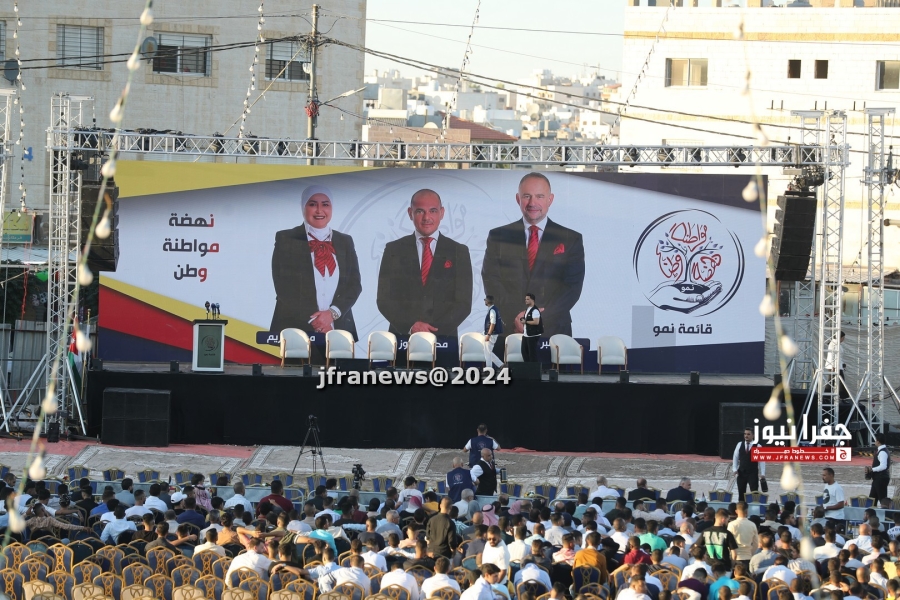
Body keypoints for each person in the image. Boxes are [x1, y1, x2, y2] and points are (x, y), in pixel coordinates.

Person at [482, 172, 585, 339]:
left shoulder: (571, 239)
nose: (532, 203)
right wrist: (517, 317)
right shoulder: (498, 236)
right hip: (510, 329)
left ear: (550, 199)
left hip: (554, 330)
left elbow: (571, 288)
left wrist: (538, 317)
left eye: (539, 196)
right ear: (518, 199)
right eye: (527, 196)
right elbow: (491, 280)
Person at [269, 185, 363, 347]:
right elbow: (284, 287)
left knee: (337, 365)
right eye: (312, 204)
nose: (319, 210)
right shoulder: (286, 238)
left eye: (325, 204)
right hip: (296, 329)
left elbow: (354, 285)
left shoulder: (345, 241)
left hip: (338, 329)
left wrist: (332, 314)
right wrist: (318, 322)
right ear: (303, 207)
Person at [376, 188, 473, 337]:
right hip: (403, 338)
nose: (427, 217)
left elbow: (463, 303)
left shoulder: (458, 251)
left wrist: (433, 332)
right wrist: (411, 326)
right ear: (410, 213)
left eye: (433, 211)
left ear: (442, 213)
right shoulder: (393, 250)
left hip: (444, 340)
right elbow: (384, 299)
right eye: (420, 211)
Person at [732, 428, 766, 502]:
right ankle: (741, 507)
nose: (746, 436)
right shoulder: (739, 444)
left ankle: (754, 507)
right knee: (741, 494)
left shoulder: (758, 446)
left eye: (748, 434)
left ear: (753, 435)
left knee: (754, 493)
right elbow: (735, 457)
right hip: (741, 473)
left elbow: (762, 461)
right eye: (745, 434)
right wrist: (734, 469)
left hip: (752, 473)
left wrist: (763, 473)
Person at [727, 502, 758, 569]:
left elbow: (728, 542)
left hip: (735, 557)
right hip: (748, 556)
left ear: (736, 511)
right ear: (747, 511)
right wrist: (751, 553)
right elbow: (756, 543)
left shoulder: (731, 525)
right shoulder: (752, 525)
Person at [866, 432, 891, 508]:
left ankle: (887, 513)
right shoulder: (881, 450)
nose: (875, 442)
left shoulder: (882, 452)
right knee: (872, 499)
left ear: (878, 441)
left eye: (875, 440)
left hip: (881, 478)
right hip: (877, 479)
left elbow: (883, 466)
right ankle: (871, 512)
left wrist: (872, 469)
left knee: (883, 500)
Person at [520, 293, 542, 363]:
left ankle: (534, 368)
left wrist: (525, 321)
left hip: (533, 335)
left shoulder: (535, 310)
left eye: (527, 299)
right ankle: (528, 367)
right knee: (524, 352)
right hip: (526, 334)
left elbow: (536, 322)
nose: (526, 300)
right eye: (525, 299)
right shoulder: (528, 309)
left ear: (532, 300)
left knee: (532, 354)